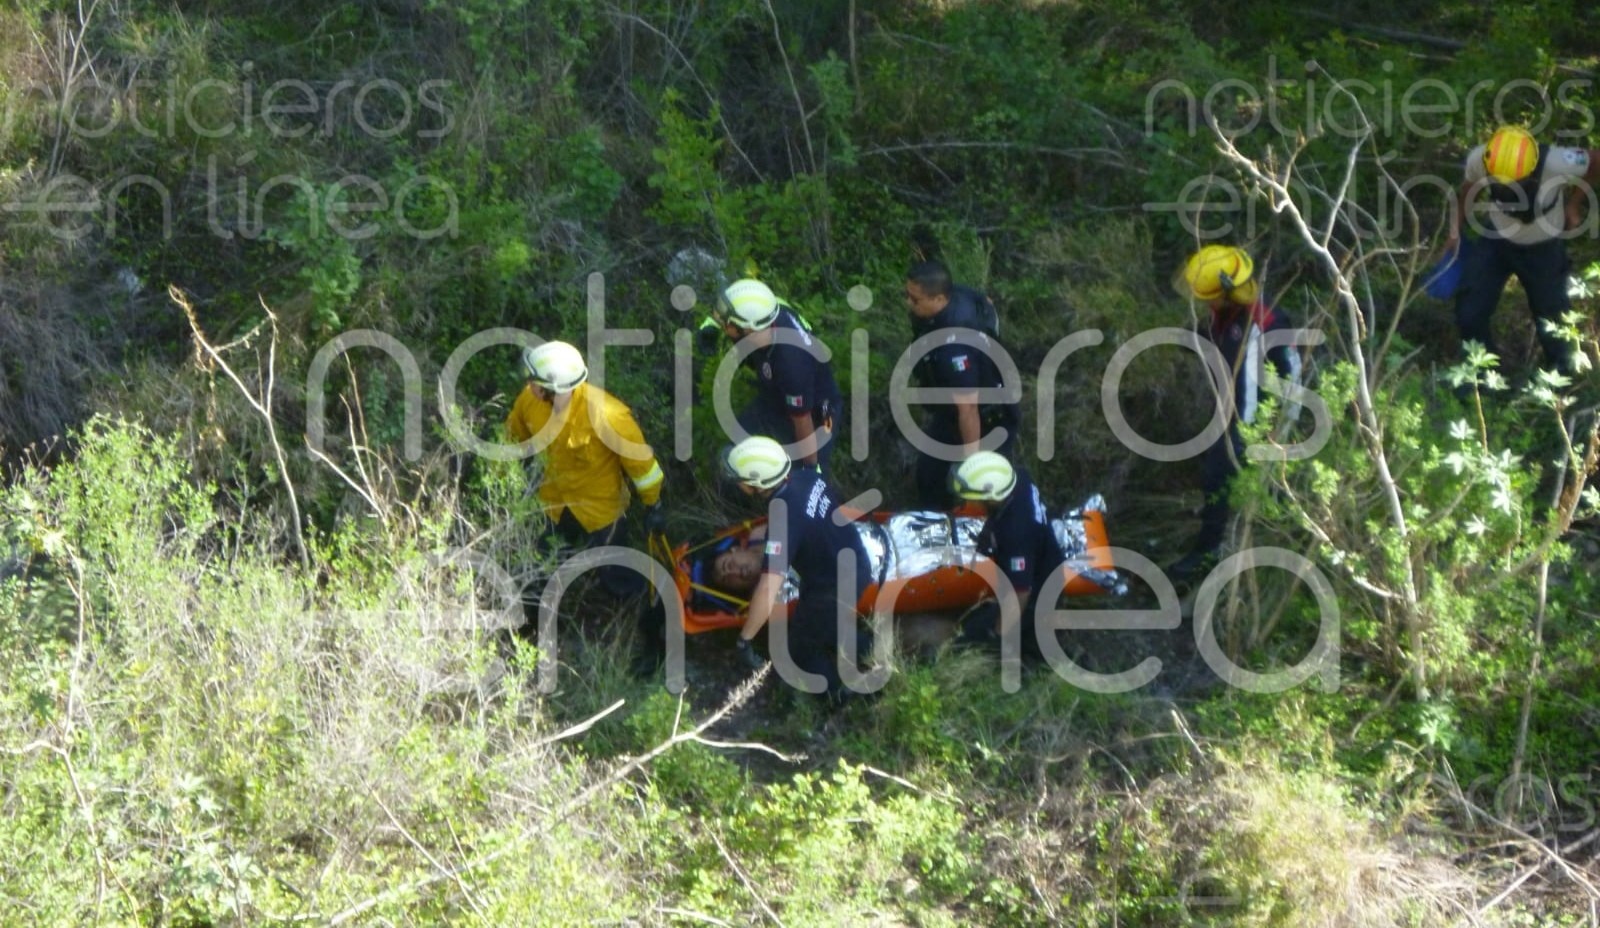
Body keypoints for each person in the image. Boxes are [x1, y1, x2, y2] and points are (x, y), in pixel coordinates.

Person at [505, 340, 669, 650]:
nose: (529, 385)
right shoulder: (529, 400)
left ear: (554, 388)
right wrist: (504, 483)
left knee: (617, 579)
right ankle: (537, 637)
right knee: (539, 572)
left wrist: (653, 505)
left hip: (600, 512)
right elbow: (513, 437)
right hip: (553, 504)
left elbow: (642, 466)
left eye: (535, 381)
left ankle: (656, 634)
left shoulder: (607, 414)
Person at [1169, 245, 1299, 582]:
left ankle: (1210, 553)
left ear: (1224, 295)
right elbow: (1218, 341)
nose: (1204, 304)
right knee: (1219, 475)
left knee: (1221, 475)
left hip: (1249, 424)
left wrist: (1257, 437)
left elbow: (1287, 379)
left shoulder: (1264, 323)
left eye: (1207, 298)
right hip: (1232, 413)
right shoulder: (1229, 313)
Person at [723, 435, 870, 696]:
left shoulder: (783, 519)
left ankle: (842, 695)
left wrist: (745, 639)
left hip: (832, 587)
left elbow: (769, 587)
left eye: (740, 480)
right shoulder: (807, 477)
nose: (737, 484)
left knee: (800, 653)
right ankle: (875, 651)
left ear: (756, 485)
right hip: (855, 561)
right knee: (827, 625)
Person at [1447, 125, 1600, 376]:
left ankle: (1562, 386)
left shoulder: (1558, 161)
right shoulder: (1481, 158)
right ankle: (1482, 378)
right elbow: (1468, 190)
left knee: (1554, 323)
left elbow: (1595, 162)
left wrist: (1573, 204)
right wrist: (1454, 231)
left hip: (1543, 250)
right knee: (1469, 312)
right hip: (1495, 241)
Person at [902, 260, 1020, 509]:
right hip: (953, 411)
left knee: (988, 488)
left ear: (939, 299)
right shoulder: (963, 295)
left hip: (985, 418)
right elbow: (986, 302)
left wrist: (971, 465)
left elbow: (968, 409)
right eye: (908, 296)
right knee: (929, 476)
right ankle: (937, 524)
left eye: (915, 300)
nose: (909, 304)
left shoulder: (954, 348)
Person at [713, 279, 844, 471]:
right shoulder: (770, 310)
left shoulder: (791, 364)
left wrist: (810, 470)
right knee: (735, 447)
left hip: (814, 415)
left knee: (805, 483)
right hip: (776, 395)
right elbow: (727, 311)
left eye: (727, 324)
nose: (723, 326)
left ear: (748, 328)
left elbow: (803, 421)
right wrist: (709, 327)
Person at [946, 452, 1065, 652]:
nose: (968, 502)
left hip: (1040, 593)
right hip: (1041, 554)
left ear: (992, 500)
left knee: (964, 642)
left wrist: (998, 635)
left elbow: (1020, 593)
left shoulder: (1016, 535)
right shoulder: (1019, 478)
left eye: (972, 498)